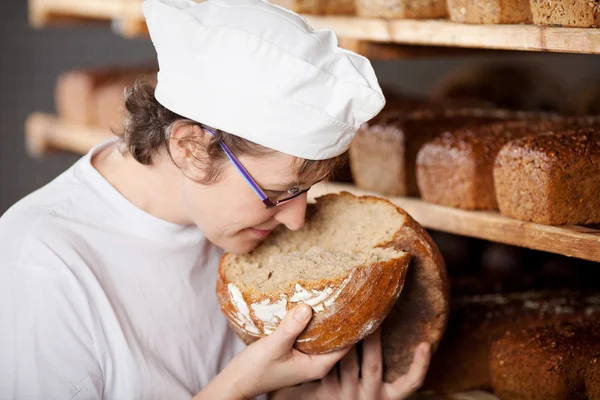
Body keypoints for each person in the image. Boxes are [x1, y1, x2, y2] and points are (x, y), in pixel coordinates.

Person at [0, 0, 431, 398]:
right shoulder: (41, 263)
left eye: (304, 194)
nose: (298, 222)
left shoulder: (235, 232)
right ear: (189, 148)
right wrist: (238, 386)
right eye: (277, 193)